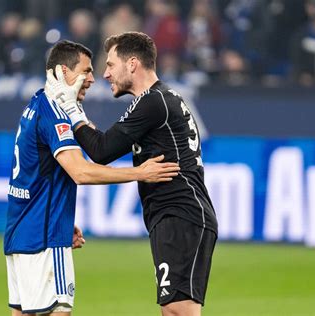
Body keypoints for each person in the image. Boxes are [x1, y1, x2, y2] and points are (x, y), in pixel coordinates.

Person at [46, 32, 218, 316]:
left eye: (111, 65)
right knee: (173, 310)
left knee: (178, 310)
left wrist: (70, 109)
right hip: (178, 216)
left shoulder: (152, 102)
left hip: (180, 215)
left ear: (133, 63)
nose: (105, 74)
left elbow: (101, 150)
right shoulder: (160, 100)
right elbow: (102, 142)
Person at [4, 40, 180, 316]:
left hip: (20, 233)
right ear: (63, 73)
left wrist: (61, 217)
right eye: (86, 71)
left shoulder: (36, 104)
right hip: (44, 239)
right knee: (59, 311)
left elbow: (37, 174)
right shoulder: (55, 114)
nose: (93, 79)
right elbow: (81, 171)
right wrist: (140, 172)